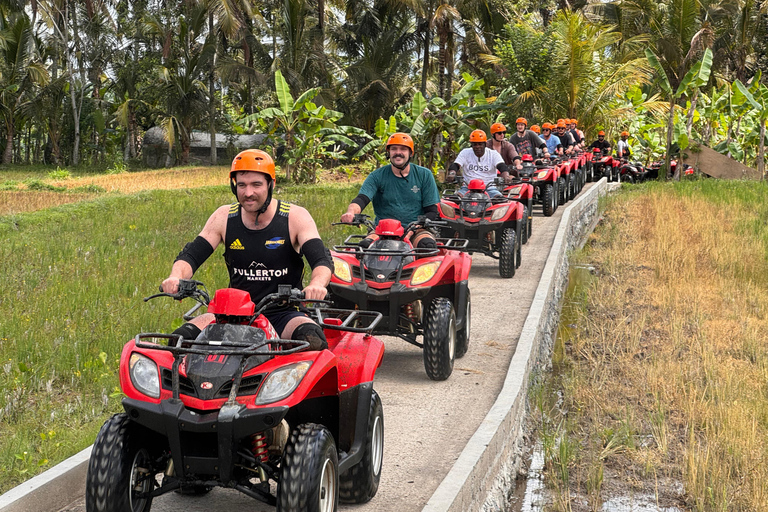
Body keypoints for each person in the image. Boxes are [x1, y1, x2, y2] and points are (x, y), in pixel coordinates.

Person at [162, 149, 333, 350]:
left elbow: (321, 260)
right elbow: (191, 255)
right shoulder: (224, 216)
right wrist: (176, 277)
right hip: (231, 315)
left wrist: (317, 285)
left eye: (256, 185)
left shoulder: (295, 217)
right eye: (241, 185)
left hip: (283, 314)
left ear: (271, 185)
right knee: (179, 342)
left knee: (312, 340)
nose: (248, 193)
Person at [340, 132, 439, 250]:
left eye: (403, 149)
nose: (398, 152)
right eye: (394, 149)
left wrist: (414, 229)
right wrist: (350, 213)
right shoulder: (376, 176)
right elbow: (362, 199)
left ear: (411, 153)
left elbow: (432, 211)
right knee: (365, 249)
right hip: (382, 230)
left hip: (416, 229)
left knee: (427, 245)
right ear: (389, 153)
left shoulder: (424, 175)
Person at [447, 129, 511, 198]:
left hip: (489, 188)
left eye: (480, 144)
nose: (477, 147)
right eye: (475, 144)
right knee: (455, 200)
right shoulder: (465, 153)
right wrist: (452, 174)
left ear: (485, 144)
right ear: (471, 145)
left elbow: (502, 167)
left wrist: (506, 176)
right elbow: (455, 165)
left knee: (500, 201)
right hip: (467, 188)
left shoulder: (493, 154)